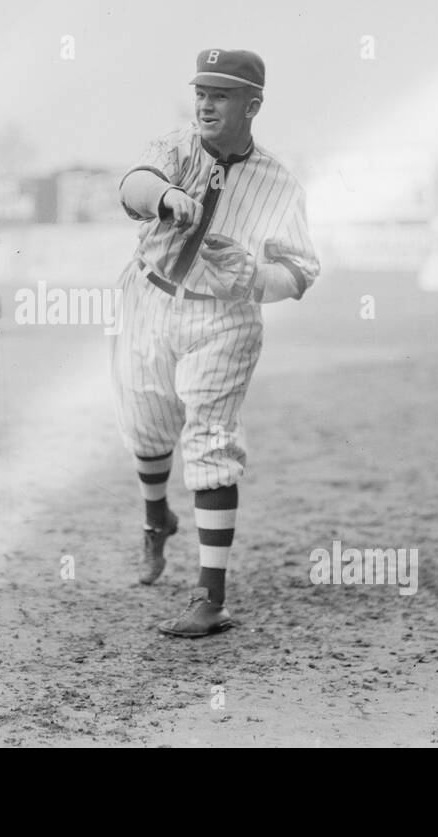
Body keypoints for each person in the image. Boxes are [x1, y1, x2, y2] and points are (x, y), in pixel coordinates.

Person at [111, 49, 321, 637]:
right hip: (148, 301)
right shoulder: (174, 148)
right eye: (201, 91)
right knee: (146, 428)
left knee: (210, 440)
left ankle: (211, 595)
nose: (205, 102)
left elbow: (301, 272)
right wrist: (164, 197)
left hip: (225, 319)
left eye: (221, 94)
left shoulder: (279, 183)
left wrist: (257, 279)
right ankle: (157, 518)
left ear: (252, 106)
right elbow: (132, 185)